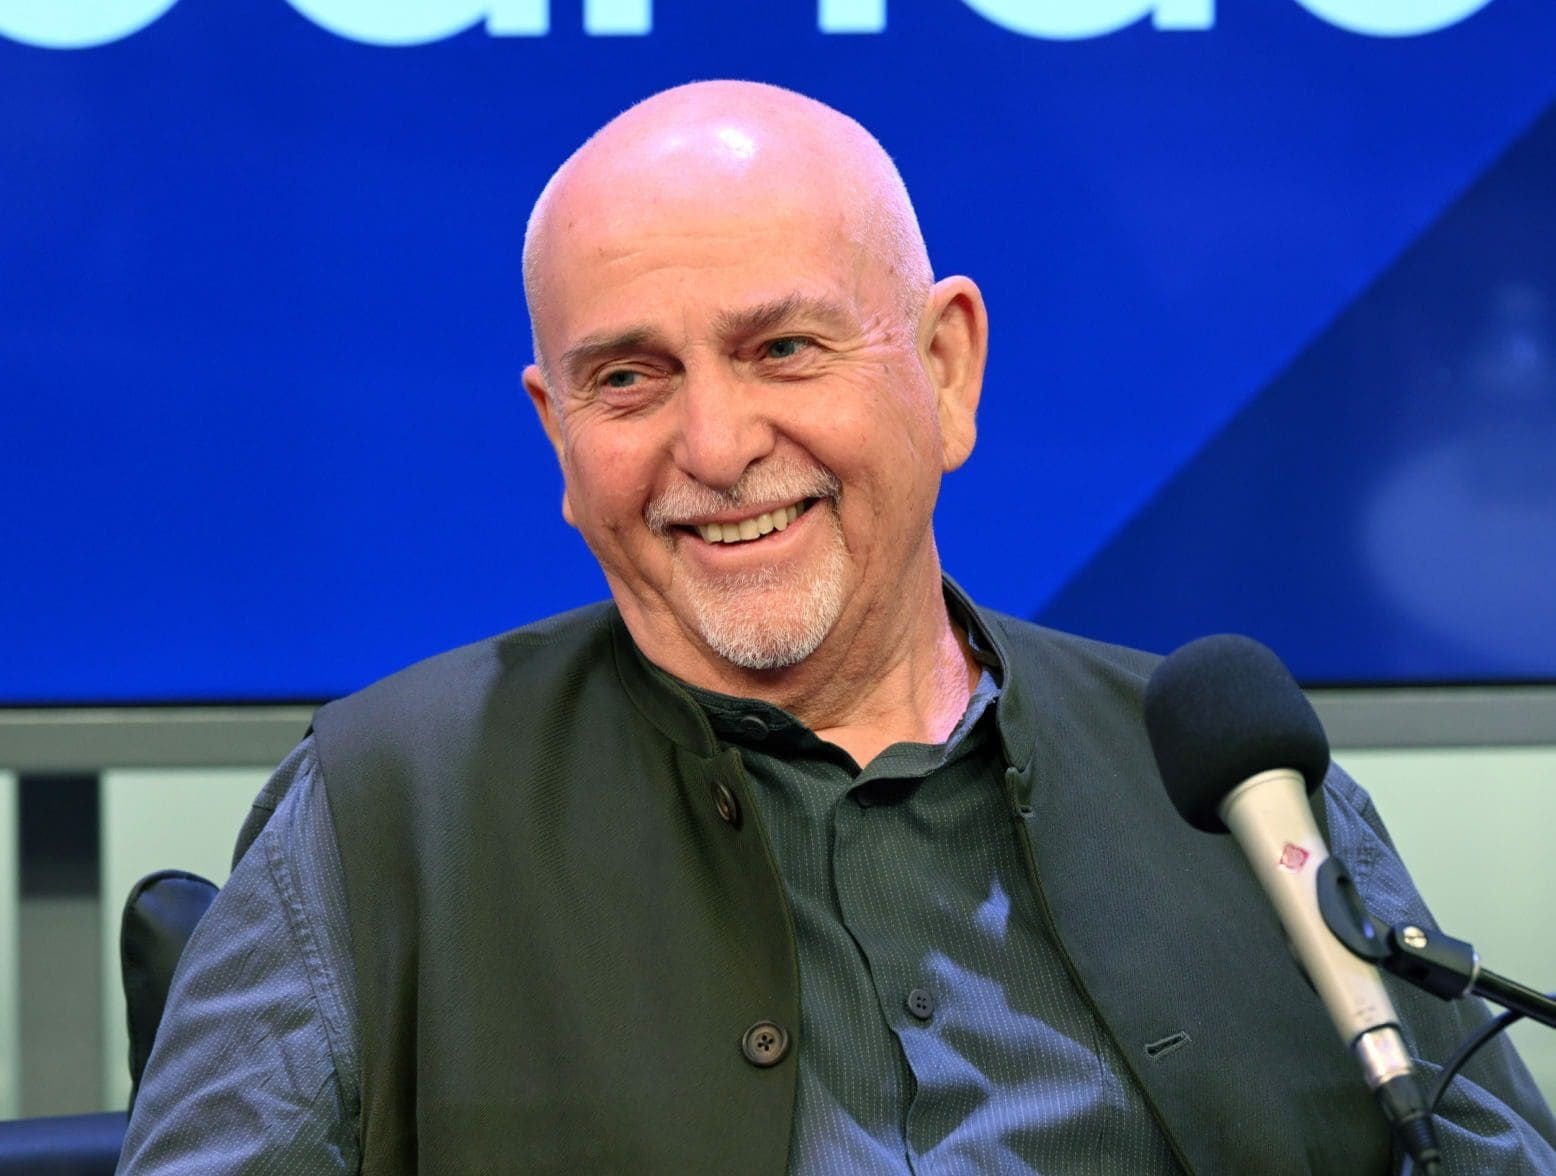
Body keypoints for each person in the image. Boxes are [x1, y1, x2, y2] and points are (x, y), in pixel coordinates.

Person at [119, 81, 1556, 1174]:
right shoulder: (379, 808)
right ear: (559, 434)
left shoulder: (1235, 785)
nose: (716, 445)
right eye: (629, 380)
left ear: (946, 369)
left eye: (783, 349)